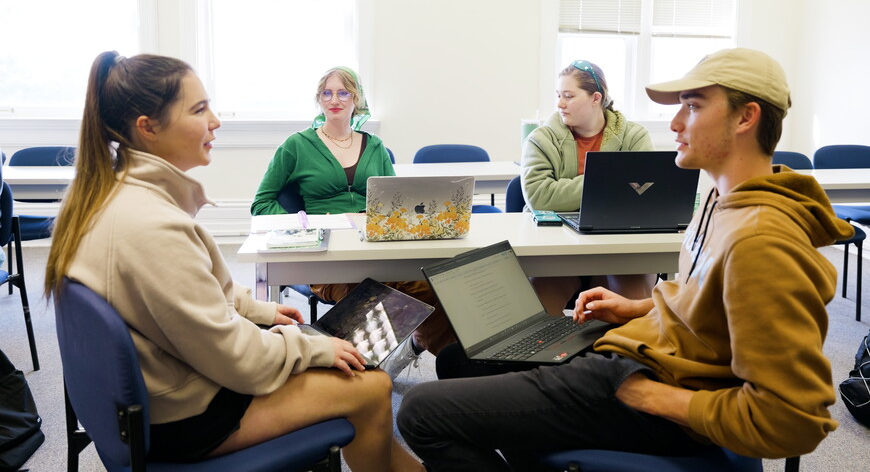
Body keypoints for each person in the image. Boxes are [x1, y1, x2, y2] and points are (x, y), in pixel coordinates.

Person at [397, 48, 853, 471]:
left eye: (692, 107)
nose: (674, 123)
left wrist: (646, 395)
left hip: (658, 393)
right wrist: (637, 308)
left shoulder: (762, 240)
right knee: (459, 360)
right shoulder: (722, 197)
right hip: (641, 351)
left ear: (745, 118)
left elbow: (793, 419)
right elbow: (709, 302)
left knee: (419, 413)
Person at [44, 52, 424, 472]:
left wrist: (257, 309)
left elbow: (189, 290)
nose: (216, 121)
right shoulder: (154, 226)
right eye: (199, 109)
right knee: (372, 386)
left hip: (160, 391)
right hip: (189, 417)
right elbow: (241, 363)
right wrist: (310, 346)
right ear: (148, 128)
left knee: (340, 357)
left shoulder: (107, 196)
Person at [251, 66, 456, 365]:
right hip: (326, 260)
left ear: (356, 99)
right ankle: (367, 368)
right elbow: (261, 204)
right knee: (369, 293)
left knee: (426, 287)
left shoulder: (374, 146)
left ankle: (456, 365)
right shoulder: (296, 146)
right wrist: (307, 224)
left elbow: (395, 203)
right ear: (319, 99)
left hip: (373, 246)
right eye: (327, 93)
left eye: (343, 92)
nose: (335, 99)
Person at [522, 60, 656, 313]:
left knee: (634, 311)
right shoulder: (540, 139)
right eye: (558, 96)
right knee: (535, 316)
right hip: (556, 251)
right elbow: (540, 197)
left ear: (596, 97)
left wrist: (570, 188)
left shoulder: (634, 136)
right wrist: (610, 181)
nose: (560, 104)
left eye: (569, 96)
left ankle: (610, 352)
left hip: (620, 250)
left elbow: (643, 197)